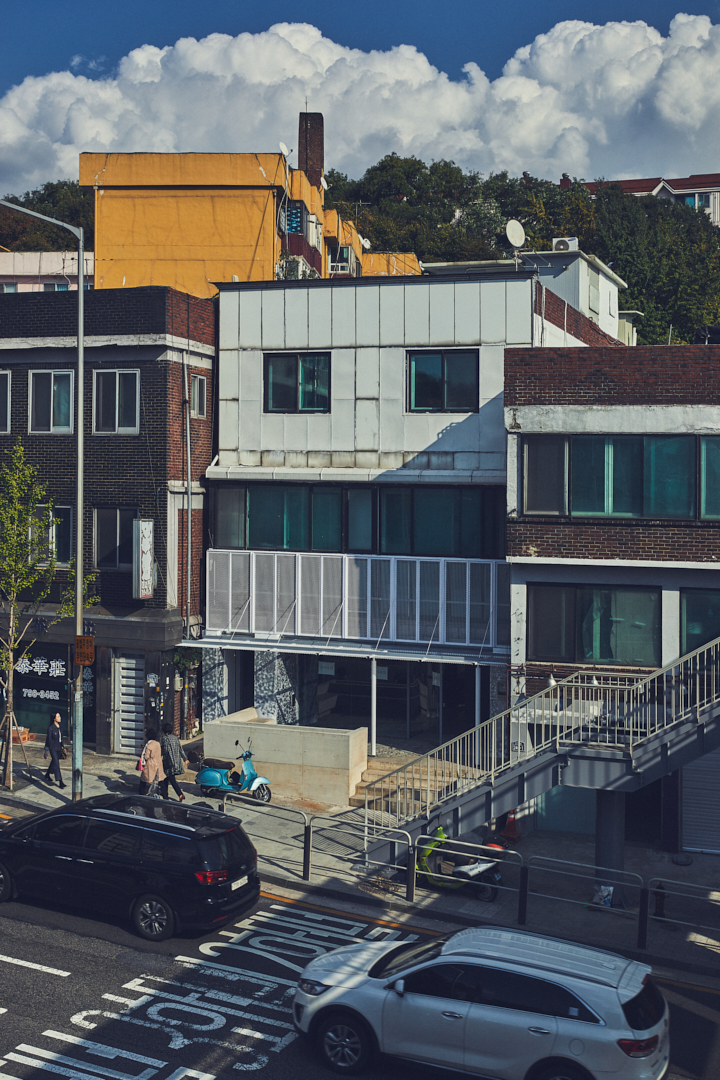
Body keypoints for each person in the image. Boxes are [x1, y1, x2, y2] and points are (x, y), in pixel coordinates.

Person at [159, 722, 188, 802]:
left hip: (169, 762)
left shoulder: (165, 739)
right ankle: (165, 793)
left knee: (171, 779)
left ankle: (179, 794)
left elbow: (165, 750)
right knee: (166, 777)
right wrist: (185, 759)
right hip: (176, 762)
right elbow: (180, 749)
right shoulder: (176, 738)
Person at [138, 727, 165, 796]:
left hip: (150, 765)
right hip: (158, 763)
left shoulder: (148, 746)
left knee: (144, 779)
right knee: (160, 780)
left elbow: (146, 756)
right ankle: (165, 795)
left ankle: (141, 794)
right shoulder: (158, 744)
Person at [44, 712, 66, 789]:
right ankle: (60, 781)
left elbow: (61, 738)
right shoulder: (51, 728)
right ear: (54, 718)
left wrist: (63, 747)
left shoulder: (60, 727)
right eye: (58, 717)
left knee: (54, 761)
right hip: (52, 748)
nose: (60, 718)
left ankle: (47, 774)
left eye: (59, 716)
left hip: (59, 747)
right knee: (56, 764)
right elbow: (48, 739)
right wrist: (46, 750)